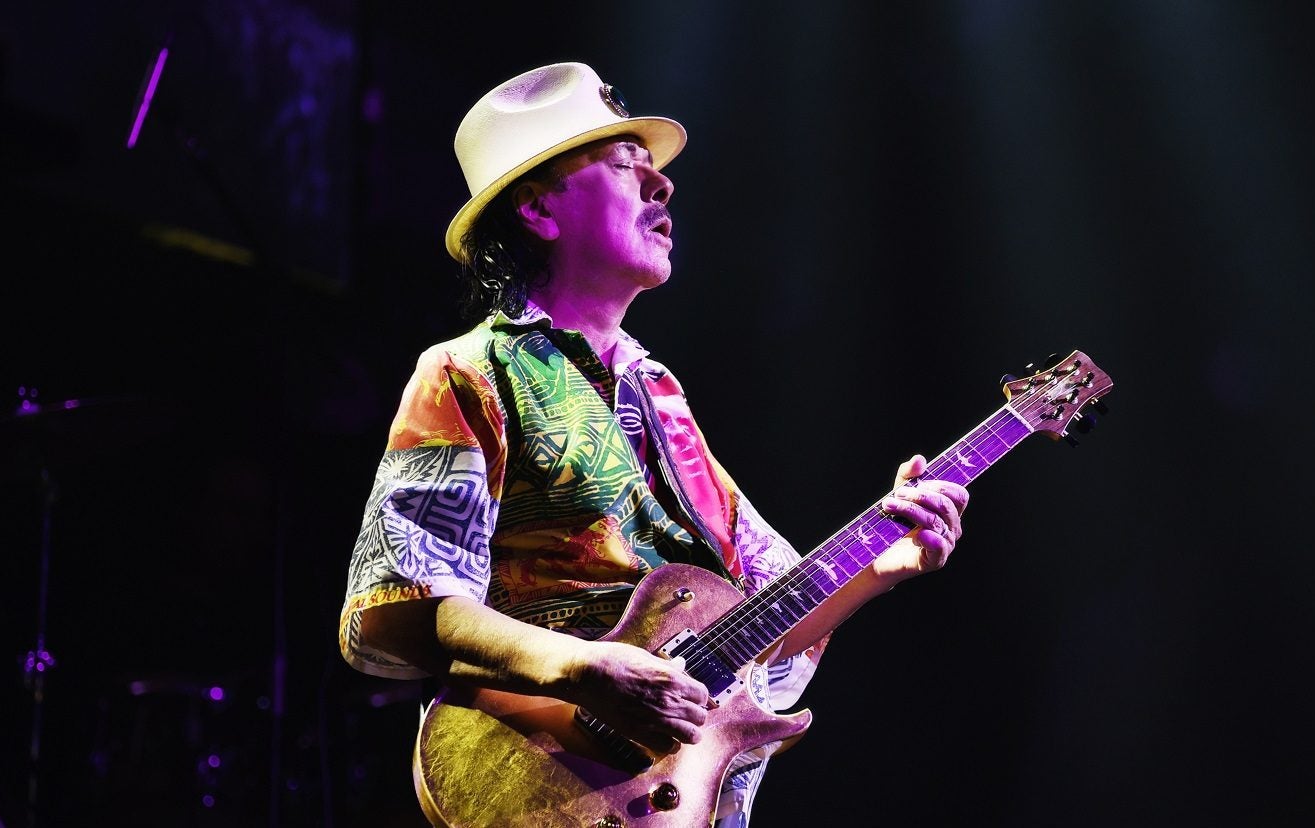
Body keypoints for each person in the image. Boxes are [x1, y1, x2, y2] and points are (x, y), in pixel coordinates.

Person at [338, 61, 968, 826]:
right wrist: (577, 666)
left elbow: (760, 618)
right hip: (539, 783)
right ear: (537, 208)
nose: (662, 185)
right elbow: (395, 605)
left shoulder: (660, 394)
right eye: (622, 164)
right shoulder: (466, 372)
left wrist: (880, 567)